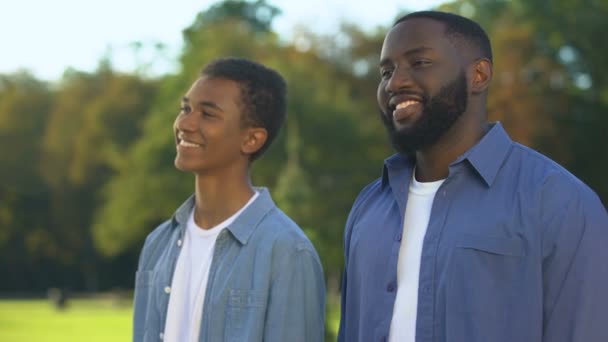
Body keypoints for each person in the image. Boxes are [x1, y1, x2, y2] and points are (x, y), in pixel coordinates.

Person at [338, 10, 608, 342]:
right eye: (386, 71)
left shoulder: (560, 203)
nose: (395, 82)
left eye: (419, 62)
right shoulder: (368, 208)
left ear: (478, 75)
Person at [133, 57, 326, 342]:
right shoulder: (156, 244)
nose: (184, 123)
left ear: (251, 139)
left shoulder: (288, 252)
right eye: (186, 108)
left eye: (207, 114)